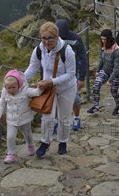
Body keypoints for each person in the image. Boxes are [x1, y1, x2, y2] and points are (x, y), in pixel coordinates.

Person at [24, 22, 77, 157]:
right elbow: (32, 68)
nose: (46, 41)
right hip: (48, 88)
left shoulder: (67, 51)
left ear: (57, 36)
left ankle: (63, 142)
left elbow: (71, 74)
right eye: (43, 38)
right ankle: (45, 143)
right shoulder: (39, 50)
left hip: (66, 88)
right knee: (47, 117)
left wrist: (51, 81)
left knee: (63, 117)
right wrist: (19, 79)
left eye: (50, 38)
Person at [0, 69, 42, 163]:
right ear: (5, 87)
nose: (11, 90)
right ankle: (11, 153)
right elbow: (1, 104)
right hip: (11, 120)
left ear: (19, 84)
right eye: (8, 88)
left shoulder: (25, 90)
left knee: (27, 134)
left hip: (24, 118)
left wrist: (39, 87)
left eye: (13, 87)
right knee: (10, 137)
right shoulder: (4, 92)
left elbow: (36, 93)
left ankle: (30, 145)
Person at [56, 19, 89, 131]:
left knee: (74, 97)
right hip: (58, 72)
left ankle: (76, 117)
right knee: (56, 97)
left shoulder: (76, 38)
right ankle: (57, 121)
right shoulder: (52, 38)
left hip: (74, 71)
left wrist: (82, 77)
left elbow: (83, 57)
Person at [87, 29, 119, 116]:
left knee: (113, 91)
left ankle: (118, 106)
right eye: (102, 39)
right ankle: (96, 106)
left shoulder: (117, 50)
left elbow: (117, 67)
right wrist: (98, 70)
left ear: (109, 39)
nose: (103, 41)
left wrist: (110, 80)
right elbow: (101, 60)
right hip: (105, 70)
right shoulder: (103, 47)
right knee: (96, 85)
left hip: (116, 73)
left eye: (105, 39)